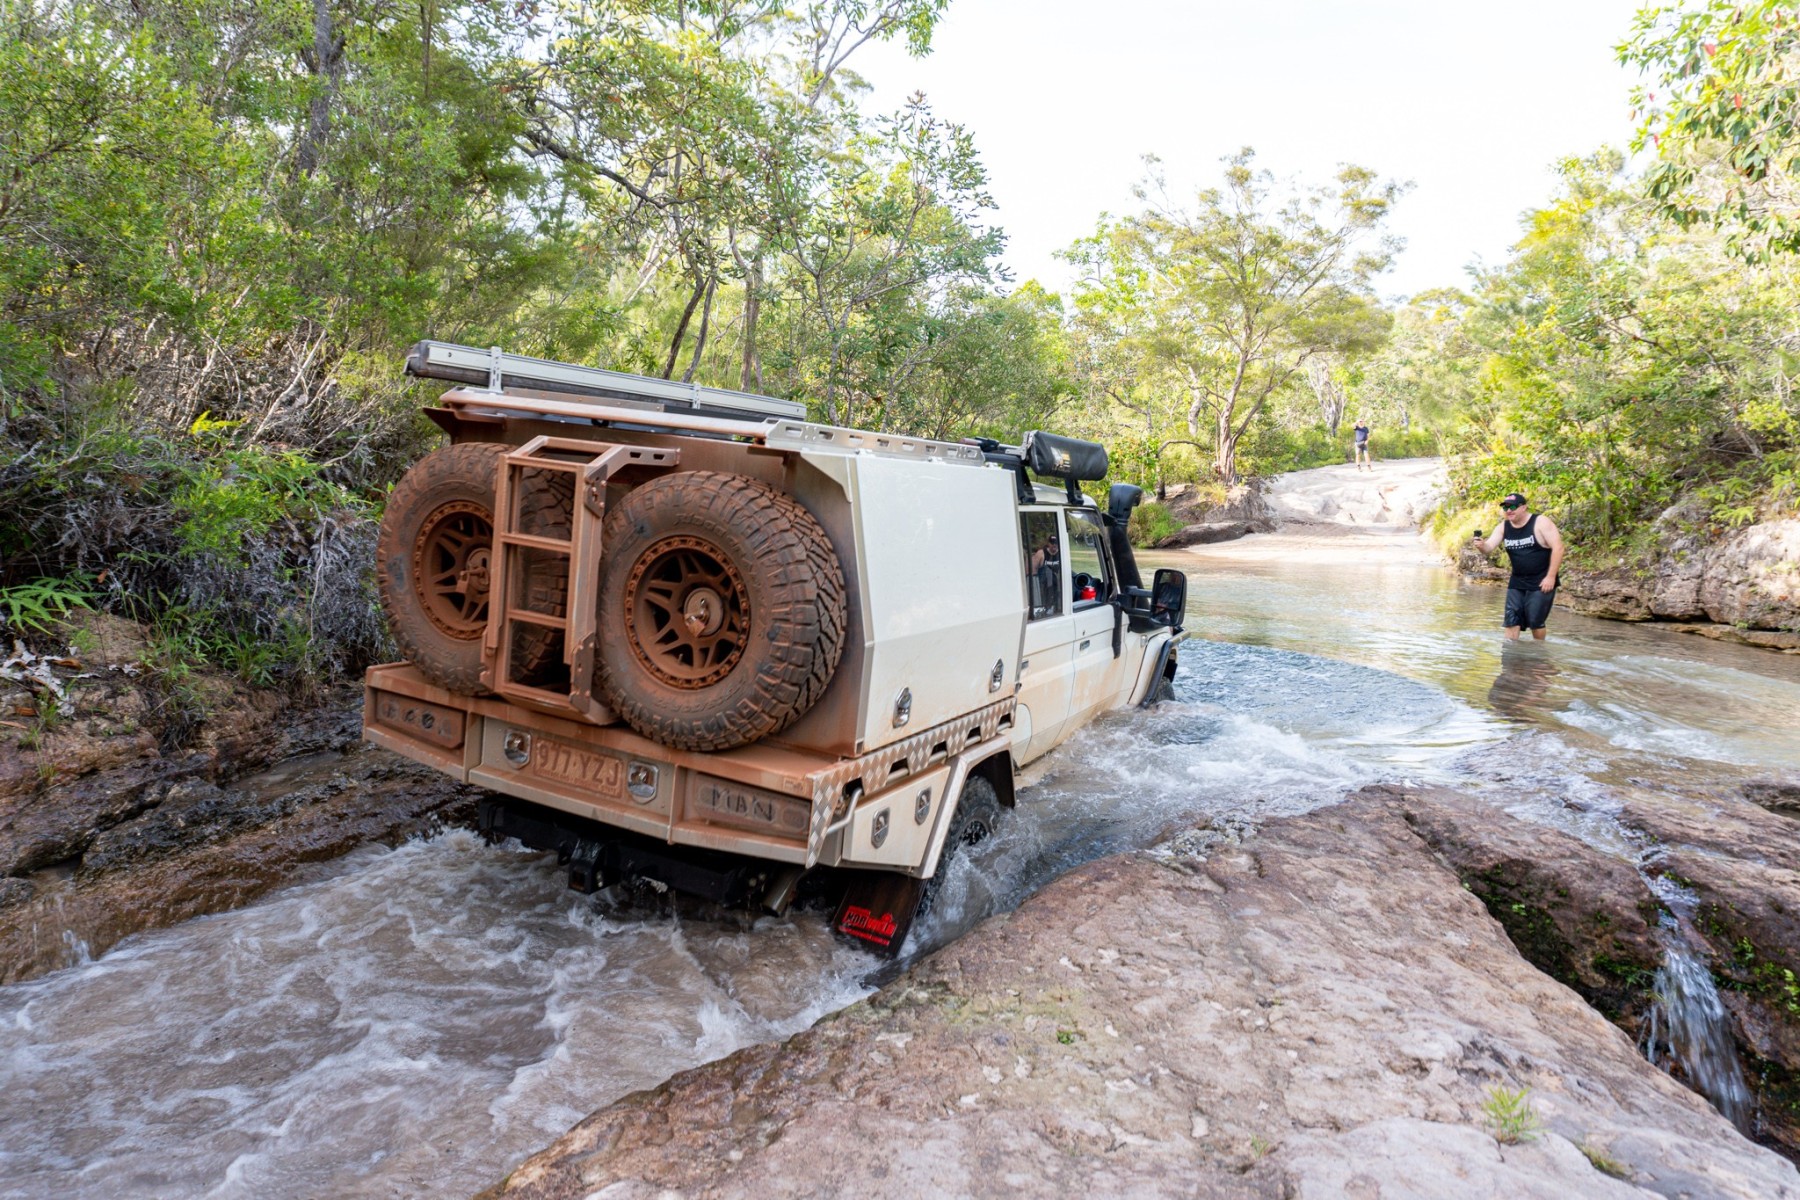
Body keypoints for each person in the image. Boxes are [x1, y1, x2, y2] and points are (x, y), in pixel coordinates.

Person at [1469, 492, 1565, 641]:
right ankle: (1511, 656)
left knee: (1535, 621)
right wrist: (1481, 545)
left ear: (1524, 507)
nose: (1509, 511)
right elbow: (1488, 548)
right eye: (1505, 507)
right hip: (1517, 580)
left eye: (1513, 507)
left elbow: (1558, 548)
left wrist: (1551, 577)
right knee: (1511, 619)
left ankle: (1538, 652)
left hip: (1542, 580)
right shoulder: (1504, 526)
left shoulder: (1540, 522)